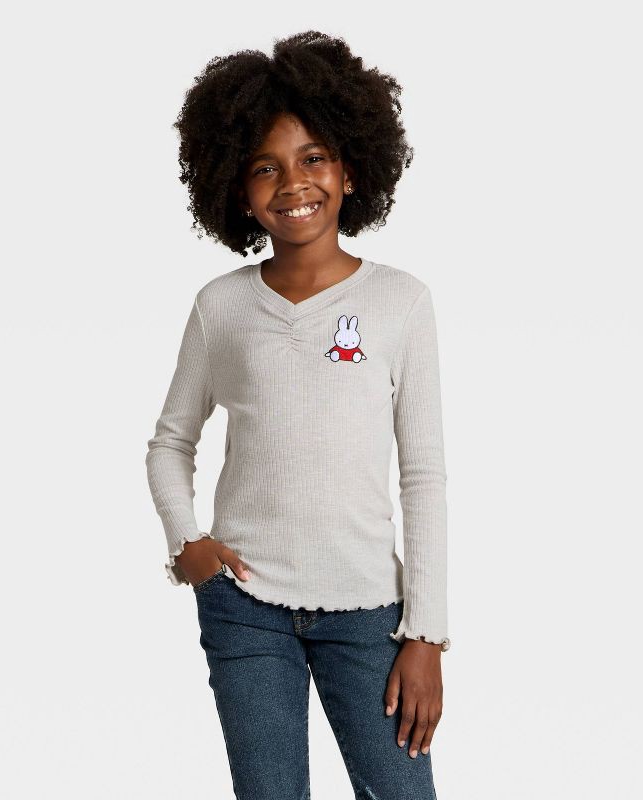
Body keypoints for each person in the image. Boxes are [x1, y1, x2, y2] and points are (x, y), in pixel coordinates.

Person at [145, 30, 449, 800]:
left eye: (313, 158)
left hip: (370, 614)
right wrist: (187, 544)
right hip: (244, 611)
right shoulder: (221, 307)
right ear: (237, 188)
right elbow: (171, 443)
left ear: (351, 169)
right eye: (265, 167)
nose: (293, 183)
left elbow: (423, 477)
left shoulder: (401, 303)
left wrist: (426, 633)